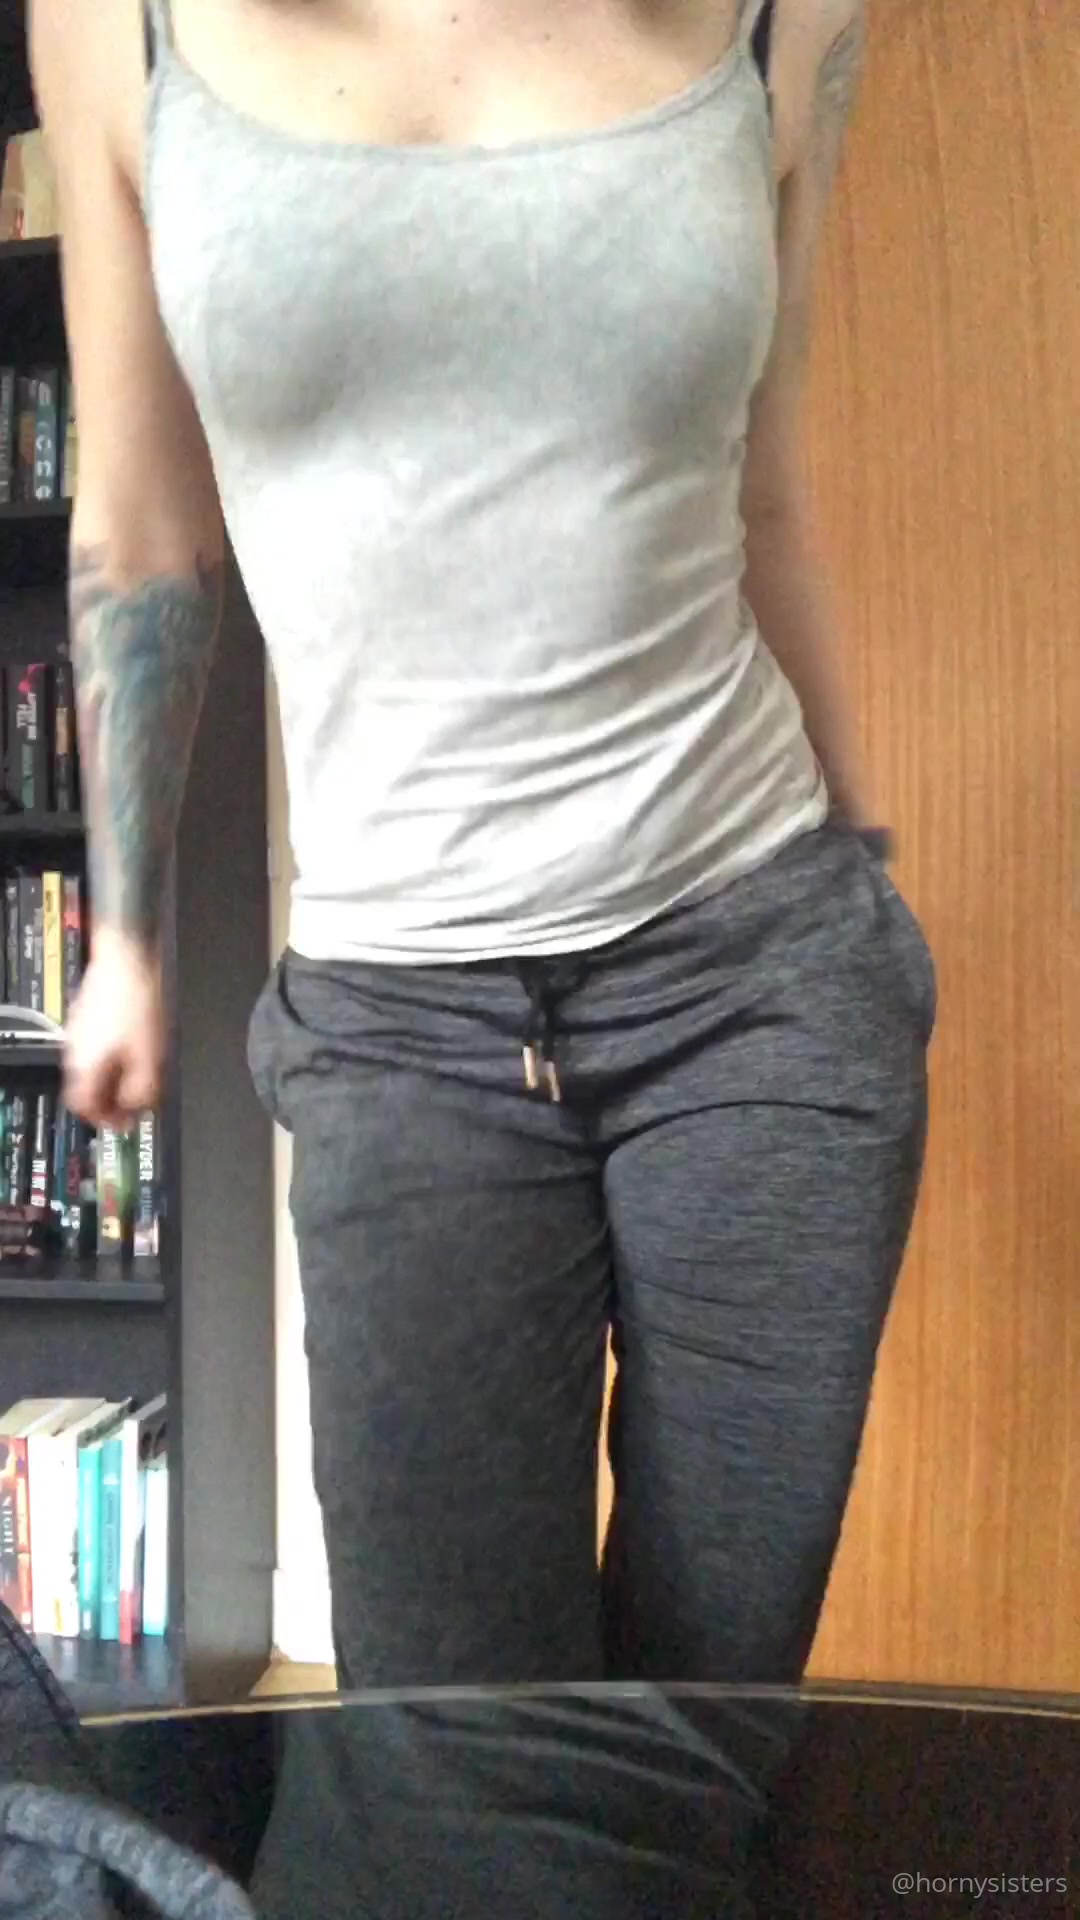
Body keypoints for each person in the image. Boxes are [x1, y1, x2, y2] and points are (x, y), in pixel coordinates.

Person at [34, 0, 934, 1692]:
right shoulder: (111, 25)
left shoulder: (785, 20)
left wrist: (864, 906)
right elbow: (143, 523)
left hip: (762, 975)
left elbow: (764, 493)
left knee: (707, 1714)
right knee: (457, 1743)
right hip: (401, 1023)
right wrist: (128, 939)